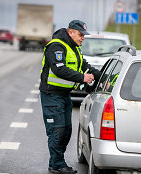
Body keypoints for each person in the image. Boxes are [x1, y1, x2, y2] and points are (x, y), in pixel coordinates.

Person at [39, 20, 101, 174]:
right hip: (51, 95)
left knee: (66, 131)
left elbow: (85, 65)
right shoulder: (56, 46)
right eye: (80, 34)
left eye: (84, 35)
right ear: (70, 32)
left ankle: (56, 162)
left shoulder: (74, 48)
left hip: (64, 95)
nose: (83, 38)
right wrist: (82, 77)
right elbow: (59, 69)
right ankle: (57, 164)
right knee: (57, 131)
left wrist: (103, 76)